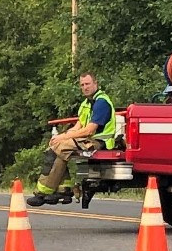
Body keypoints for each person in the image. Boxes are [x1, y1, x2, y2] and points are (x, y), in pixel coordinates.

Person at [33, 73, 119, 205]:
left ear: (96, 84)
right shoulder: (86, 103)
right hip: (87, 139)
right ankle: (64, 190)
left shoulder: (101, 102)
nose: (85, 87)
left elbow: (90, 130)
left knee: (60, 148)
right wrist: (59, 137)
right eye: (82, 85)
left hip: (99, 142)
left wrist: (64, 137)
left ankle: (44, 192)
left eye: (87, 84)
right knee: (55, 146)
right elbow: (77, 127)